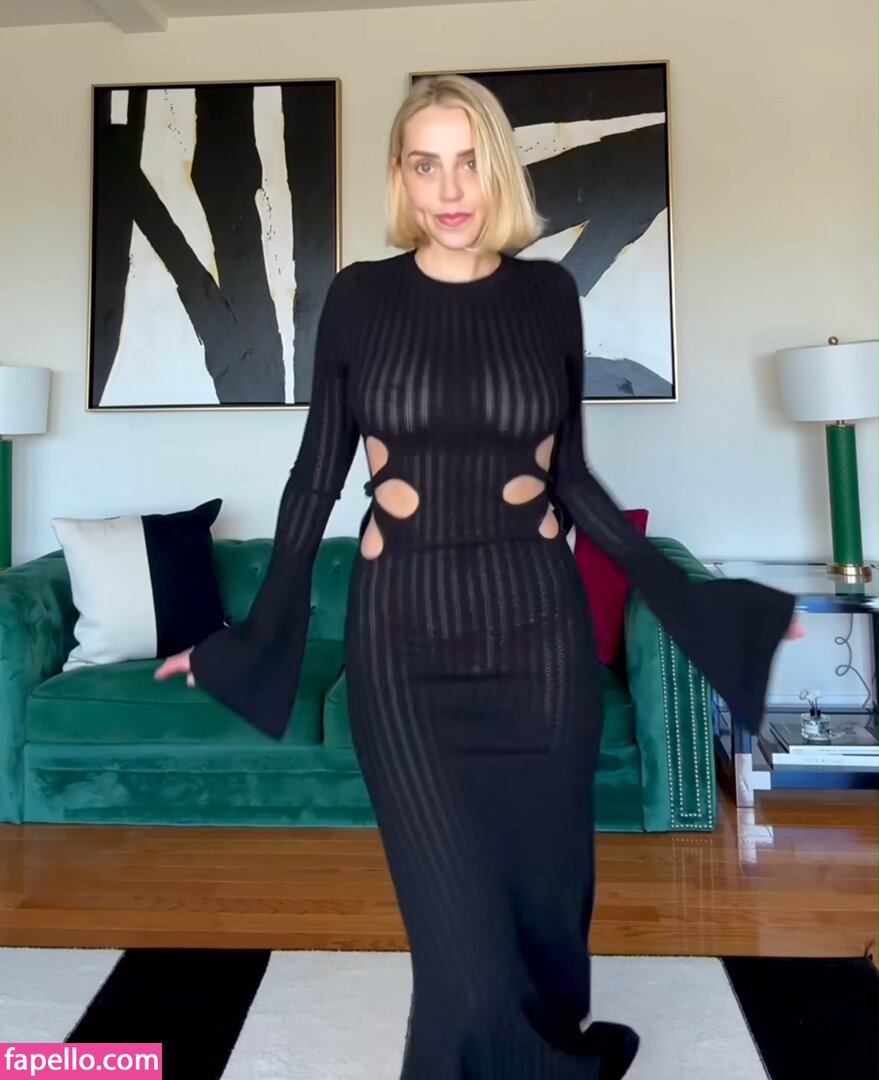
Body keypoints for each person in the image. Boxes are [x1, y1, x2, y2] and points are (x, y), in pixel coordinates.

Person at [156, 74, 801, 1079]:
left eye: (467, 162)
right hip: (402, 646)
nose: (449, 189)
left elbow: (571, 476)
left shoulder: (546, 298)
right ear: (401, 177)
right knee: (455, 941)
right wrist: (245, 642)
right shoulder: (361, 298)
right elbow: (315, 476)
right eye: (426, 165)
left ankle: (547, 1050)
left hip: (536, 640)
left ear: (496, 169)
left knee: (544, 895)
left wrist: (707, 609)